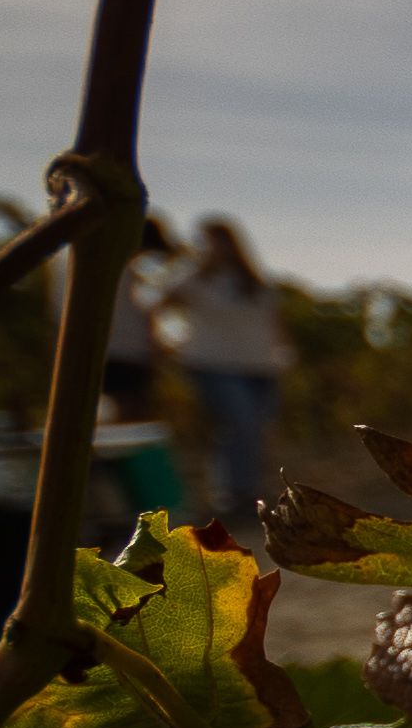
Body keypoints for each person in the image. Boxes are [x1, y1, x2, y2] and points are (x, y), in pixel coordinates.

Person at [158, 217, 289, 523]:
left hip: (260, 366)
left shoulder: (253, 282)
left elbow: (275, 321)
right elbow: (159, 305)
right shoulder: (193, 279)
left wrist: (284, 354)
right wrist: (167, 346)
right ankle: (231, 495)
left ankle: (248, 493)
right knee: (237, 425)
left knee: (253, 431)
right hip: (213, 364)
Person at [103, 214, 174, 420]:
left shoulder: (125, 272)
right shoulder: (124, 274)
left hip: (115, 352)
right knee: (129, 413)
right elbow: (146, 314)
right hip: (126, 354)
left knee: (120, 412)